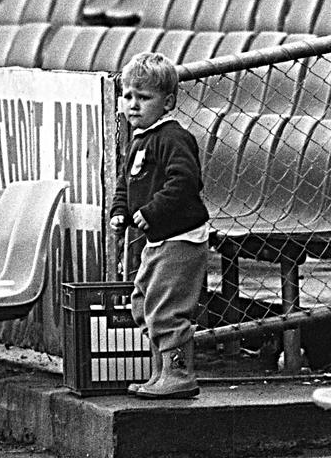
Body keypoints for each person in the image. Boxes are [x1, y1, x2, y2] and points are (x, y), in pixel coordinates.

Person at [109, 52, 209, 400]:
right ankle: (160, 373)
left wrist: (151, 212)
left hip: (180, 239)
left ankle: (179, 373)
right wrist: (120, 210)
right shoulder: (138, 139)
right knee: (143, 304)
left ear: (167, 102)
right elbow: (126, 182)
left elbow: (184, 183)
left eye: (144, 97)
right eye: (127, 96)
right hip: (157, 239)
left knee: (167, 309)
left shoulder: (173, 138)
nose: (133, 105)